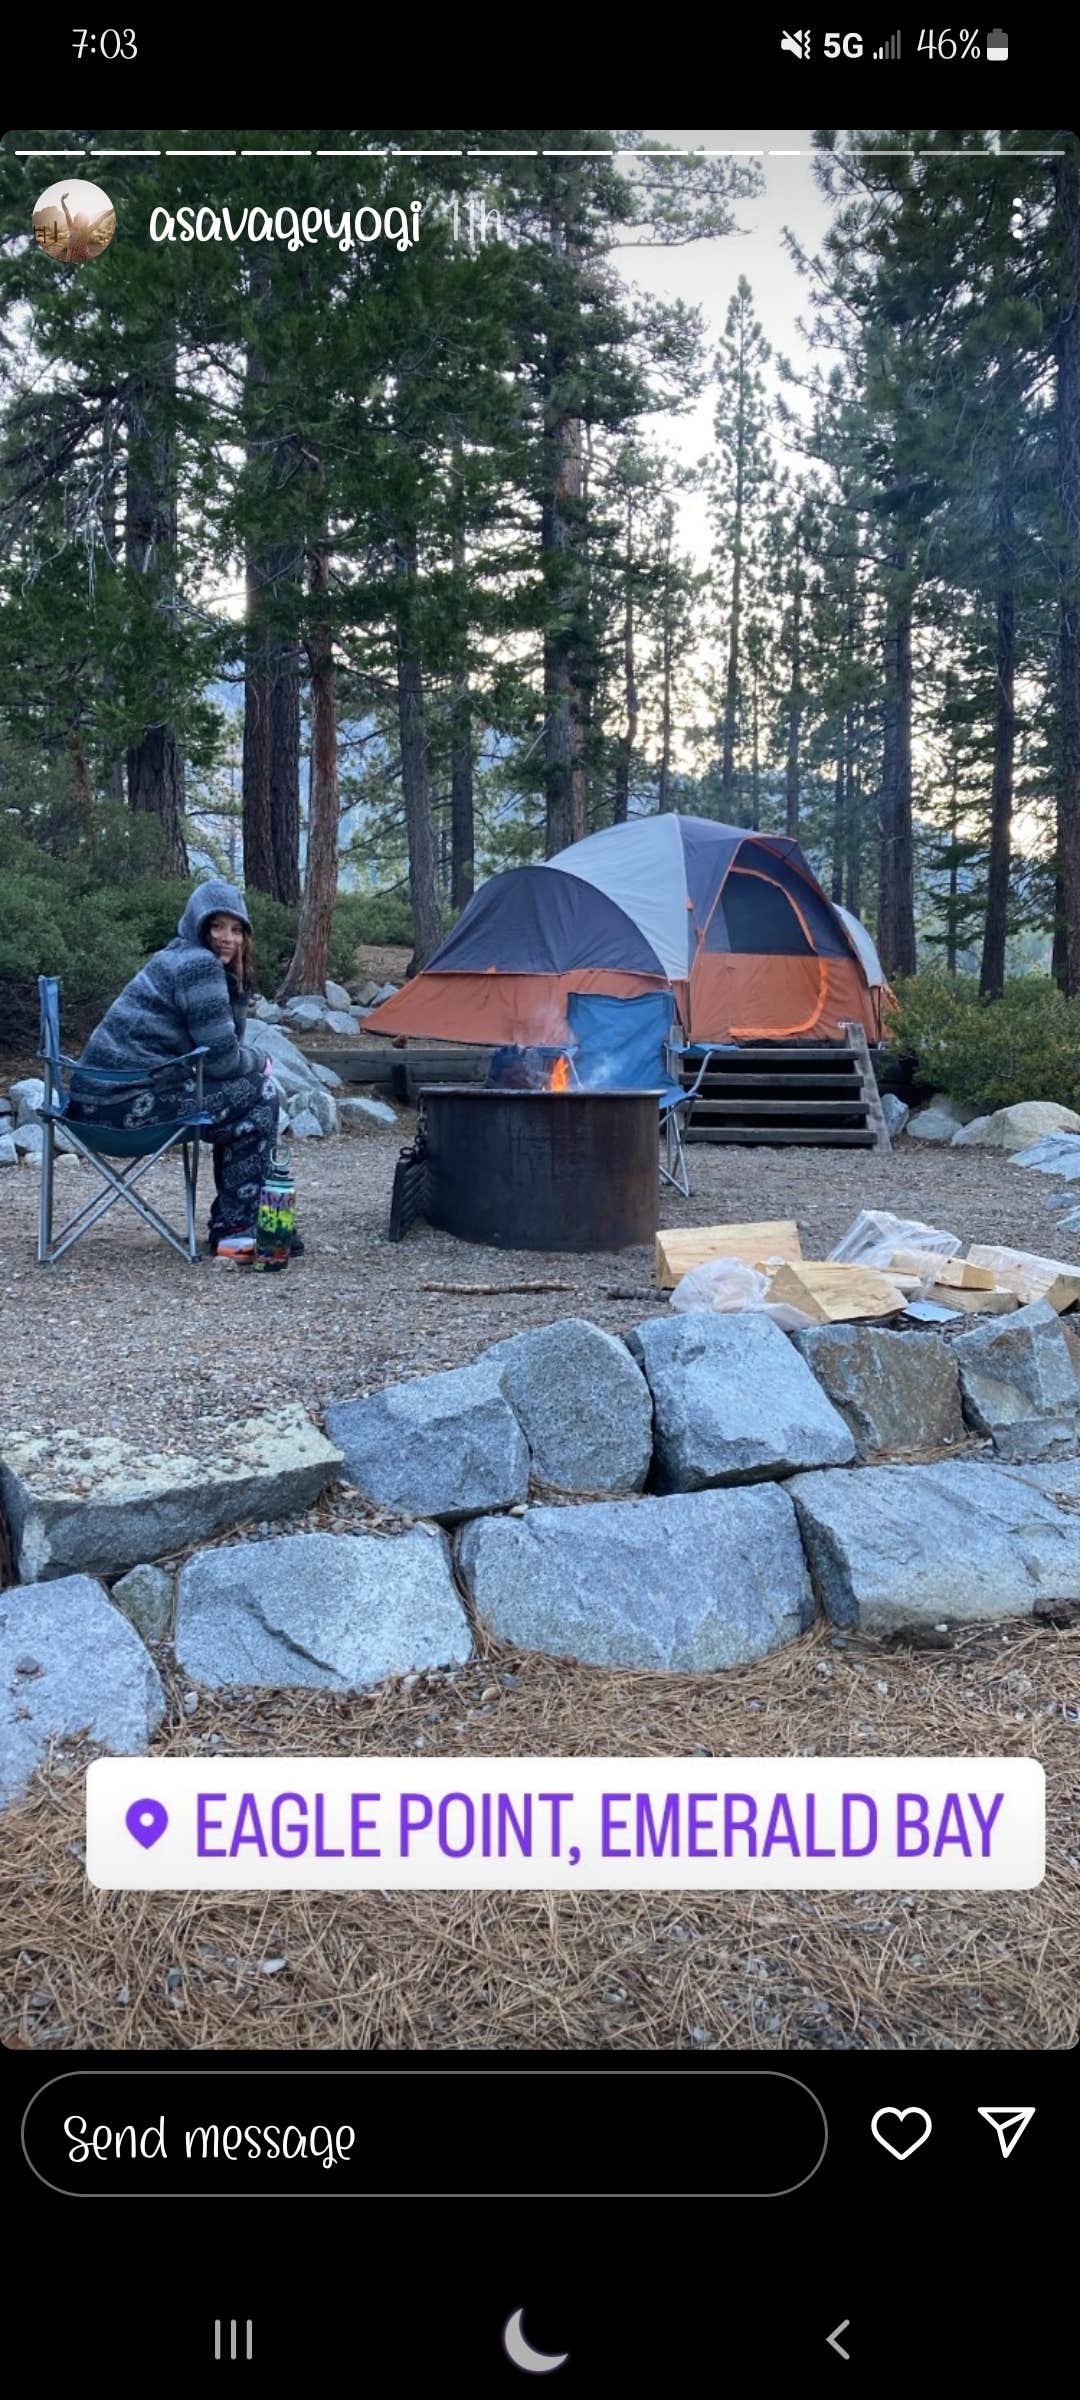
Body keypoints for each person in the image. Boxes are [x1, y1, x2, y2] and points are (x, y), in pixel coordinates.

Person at [70, 877, 301, 1261]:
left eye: (235, 929)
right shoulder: (197, 966)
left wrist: (235, 984)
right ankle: (237, 1227)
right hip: (125, 1108)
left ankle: (241, 1221)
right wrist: (262, 1061)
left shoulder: (176, 957)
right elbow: (225, 1059)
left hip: (92, 1106)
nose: (227, 937)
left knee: (245, 1092)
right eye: (216, 926)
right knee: (260, 1093)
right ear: (197, 924)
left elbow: (220, 1051)